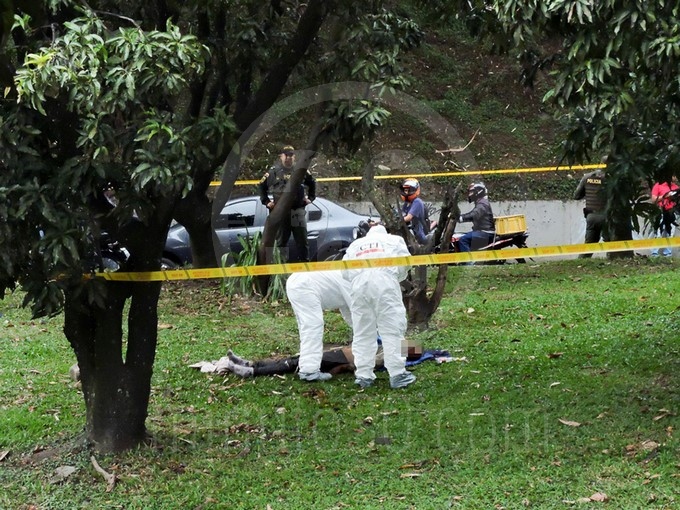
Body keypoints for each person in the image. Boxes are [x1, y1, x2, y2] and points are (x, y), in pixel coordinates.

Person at [342, 223, 416, 389]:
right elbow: (406, 262)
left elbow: (344, 271)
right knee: (392, 328)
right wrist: (396, 276)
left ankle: (363, 375)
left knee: (362, 331)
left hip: (358, 286)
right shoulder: (394, 240)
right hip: (385, 283)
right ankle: (397, 374)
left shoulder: (355, 245)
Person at [285, 270, 353, 382]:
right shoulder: (351, 281)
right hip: (304, 285)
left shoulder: (348, 275)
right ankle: (309, 371)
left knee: (306, 326)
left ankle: (306, 365)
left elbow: (349, 312)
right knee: (313, 326)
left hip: (297, 282)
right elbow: (358, 311)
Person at [258, 145, 317, 262]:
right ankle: (282, 267)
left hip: (297, 211)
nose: (288, 157)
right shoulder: (274, 171)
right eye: (286, 155)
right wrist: (266, 201)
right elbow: (261, 186)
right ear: (281, 156)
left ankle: (304, 266)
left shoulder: (300, 170)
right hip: (281, 212)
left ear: (294, 157)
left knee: (302, 242)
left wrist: (310, 198)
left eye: (291, 155)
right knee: (281, 243)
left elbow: (312, 183)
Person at [573, 167, 608, 258]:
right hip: (606, 216)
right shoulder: (611, 178)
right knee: (612, 244)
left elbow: (576, 196)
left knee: (589, 244)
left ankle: (581, 263)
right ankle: (614, 262)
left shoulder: (587, 177)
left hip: (591, 216)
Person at [457, 182, 495, 253]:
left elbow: (474, 215)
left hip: (486, 232)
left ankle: (468, 260)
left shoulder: (482, 204)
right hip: (482, 231)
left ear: (478, 192)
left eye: (472, 192)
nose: (470, 194)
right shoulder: (480, 202)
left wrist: (460, 218)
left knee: (463, 240)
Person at [650, 175, 679, 257]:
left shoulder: (676, 187)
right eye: (674, 176)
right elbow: (653, 200)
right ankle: (654, 253)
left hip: (672, 212)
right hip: (661, 211)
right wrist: (664, 196)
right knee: (658, 232)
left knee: (670, 233)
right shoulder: (658, 185)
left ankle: (668, 253)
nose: (676, 178)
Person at [400, 178, 430, 245]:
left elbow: (408, 218)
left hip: (419, 235)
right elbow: (402, 215)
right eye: (405, 190)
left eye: (409, 190)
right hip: (411, 233)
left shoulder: (417, 202)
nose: (406, 193)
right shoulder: (407, 203)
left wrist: (397, 221)